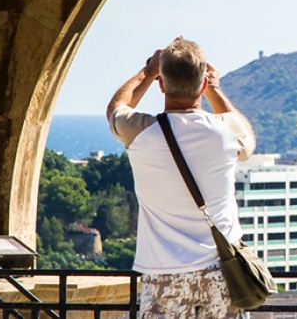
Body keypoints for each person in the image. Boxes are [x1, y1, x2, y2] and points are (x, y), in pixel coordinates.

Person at [106, 37, 256, 318]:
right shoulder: (226, 131)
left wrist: (148, 71)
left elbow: (116, 109)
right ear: (202, 84)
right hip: (222, 271)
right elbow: (247, 138)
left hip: (164, 274)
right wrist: (214, 90)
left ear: (162, 85)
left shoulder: (140, 132)